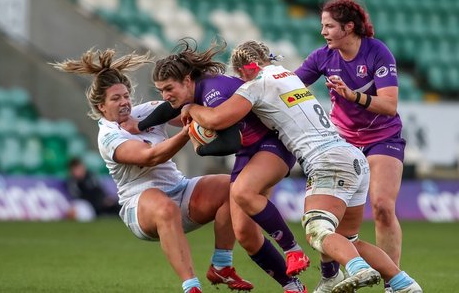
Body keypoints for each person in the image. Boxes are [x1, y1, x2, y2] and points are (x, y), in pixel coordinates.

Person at [180, 40, 422, 293]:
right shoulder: (289, 76)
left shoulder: (255, 85)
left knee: (317, 230)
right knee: (348, 239)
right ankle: (402, 282)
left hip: (326, 161)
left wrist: (192, 107)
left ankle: (357, 269)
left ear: (244, 70)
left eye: (239, 75)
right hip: (351, 157)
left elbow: (218, 118)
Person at [51, 48, 252, 293]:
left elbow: (188, 105)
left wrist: (212, 107)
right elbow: (151, 157)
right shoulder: (108, 136)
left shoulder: (145, 111)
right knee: (164, 207)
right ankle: (192, 287)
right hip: (139, 205)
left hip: (179, 190)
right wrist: (189, 131)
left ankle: (222, 266)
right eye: (115, 99)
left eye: (126, 96)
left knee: (232, 187)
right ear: (101, 107)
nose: (124, 102)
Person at [123, 38, 309, 293]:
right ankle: (292, 286)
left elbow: (230, 142)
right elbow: (171, 107)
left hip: (271, 145)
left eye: (168, 88)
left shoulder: (213, 92)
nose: (165, 96)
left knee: (242, 192)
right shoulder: (195, 93)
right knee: (244, 234)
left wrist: (200, 147)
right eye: (160, 90)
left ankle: (294, 251)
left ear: (188, 81)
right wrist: (139, 126)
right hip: (249, 151)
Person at [294, 0, 406, 292]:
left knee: (382, 207)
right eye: (323, 25)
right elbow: (290, 85)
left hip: (383, 137)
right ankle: (331, 275)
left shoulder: (378, 53)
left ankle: (392, 282)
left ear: (349, 27)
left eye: (329, 26)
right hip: (342, 142)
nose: (323, 31)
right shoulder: (322, 56)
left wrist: (352, 95)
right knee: (331, 217)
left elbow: (390, 105)